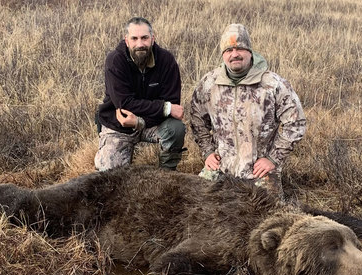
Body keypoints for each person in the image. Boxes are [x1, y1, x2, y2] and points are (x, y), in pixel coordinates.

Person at [190, 24, 306, 199]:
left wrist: (273, 159)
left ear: (250, 51)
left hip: (258, 170)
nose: (234, 54)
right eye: (229, 50)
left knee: (267, 215)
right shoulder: (209, 83)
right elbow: (197, 119)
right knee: (197, 205)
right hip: (221, 167)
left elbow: (296, 124)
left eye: (240, 48)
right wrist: (207, 152)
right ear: (223, 55)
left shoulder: (272, 84)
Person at [94, 17, 186, 171]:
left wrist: (140, 122)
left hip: (151, 124)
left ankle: (167, 174)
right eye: (134, 38)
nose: (140, 44)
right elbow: (124, 104)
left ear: (152, 38)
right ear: (126, 40)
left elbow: (172, 102)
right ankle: (106, 154)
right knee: (110, 176)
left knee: (175, 129)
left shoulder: (167, 60)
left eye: (144, 38)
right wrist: (165, 108)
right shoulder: (115, 61)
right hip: (120, 125)